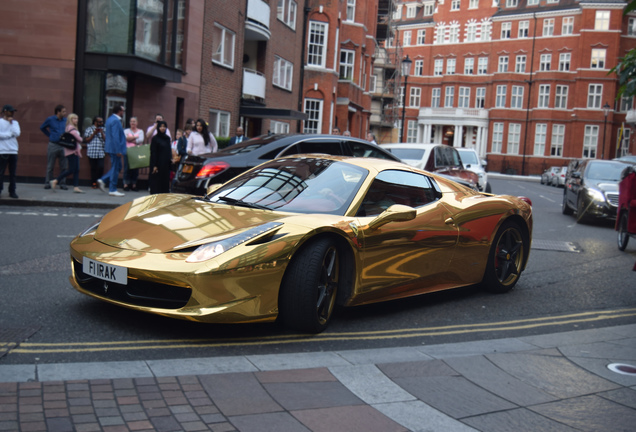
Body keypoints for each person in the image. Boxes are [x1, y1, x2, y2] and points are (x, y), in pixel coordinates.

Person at [50, 113, 84, 193]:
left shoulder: (68, 128)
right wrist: (81, 138)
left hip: (72, 151)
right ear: (70, 120)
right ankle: (56, 180)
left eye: (77, 118)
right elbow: (80, 140)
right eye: (74, 119)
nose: (76, 120)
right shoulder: (72, 129)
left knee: (76, 169)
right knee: (72, 169)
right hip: (72, 151)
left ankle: (76, 187)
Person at [97, 105, 126, 197]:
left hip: (110, 147)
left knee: (117, 167)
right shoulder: (116, 121)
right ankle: (112, 189)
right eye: (123, 110)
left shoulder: (109, 119)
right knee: (116, 167)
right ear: (119, 111)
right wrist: (118, 149)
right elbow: (115, 136)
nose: (124, 112)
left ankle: (104, 180)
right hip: (114, 148)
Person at [40, 104, 68, 189]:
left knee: (64, 166)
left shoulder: (66, 121)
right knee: (50, 165)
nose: (65, 113)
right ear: (58, 112)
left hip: (63, 145)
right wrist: (50, 135)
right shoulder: (50, 119)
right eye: (63, 111)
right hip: (53, 144)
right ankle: (48, 182)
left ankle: (62, 183)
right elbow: (42, 127)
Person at [0, 104, 21, 199]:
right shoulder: (0, 122)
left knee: (13, 173)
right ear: (5, 112)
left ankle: (12, 191)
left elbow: (17, 133)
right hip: (2, 150)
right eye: (10, 111)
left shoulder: (15, 123)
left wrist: (11, 123)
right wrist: (9, 134)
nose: (12, 113)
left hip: (13, 150)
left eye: (13, 111)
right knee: (1, 172)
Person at [149, 120, 172, 194]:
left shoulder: (167, 138)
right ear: (158, 128)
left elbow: (169, 151)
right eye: (161, 127)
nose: (162, 128)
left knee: (164, 182)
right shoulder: (155, 138)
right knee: (156, 183)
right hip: (157, 163)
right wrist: (154, 165)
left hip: (165, 164)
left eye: (164, 127)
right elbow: (153, 152)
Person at [123, 116, 144, 191]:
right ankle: (126, 184)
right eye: (131, 121)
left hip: (136, 151)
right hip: (128, 151)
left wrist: (130, 139)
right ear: (129, 123)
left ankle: (133, 185)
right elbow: (126, 138)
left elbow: (141, 140)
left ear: (137, 123)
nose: (132, 123)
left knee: (135, 169)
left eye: (134, 121)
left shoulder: (141, 131)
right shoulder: (126, 131)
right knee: (127, 168)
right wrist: (136, 137)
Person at [83, 116, 105, 188]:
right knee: (93, 168)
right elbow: (87, 140)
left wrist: (101, 133)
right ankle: (94, 183)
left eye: (102, 121)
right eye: (100, 122)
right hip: (92, 151)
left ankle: (99, 181)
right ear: (95, 122)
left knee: (101, 167)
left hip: (101, 151)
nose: (101, 123)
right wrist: (94, 133)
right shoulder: (89, 129)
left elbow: (106, 139)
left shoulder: (104, 129)